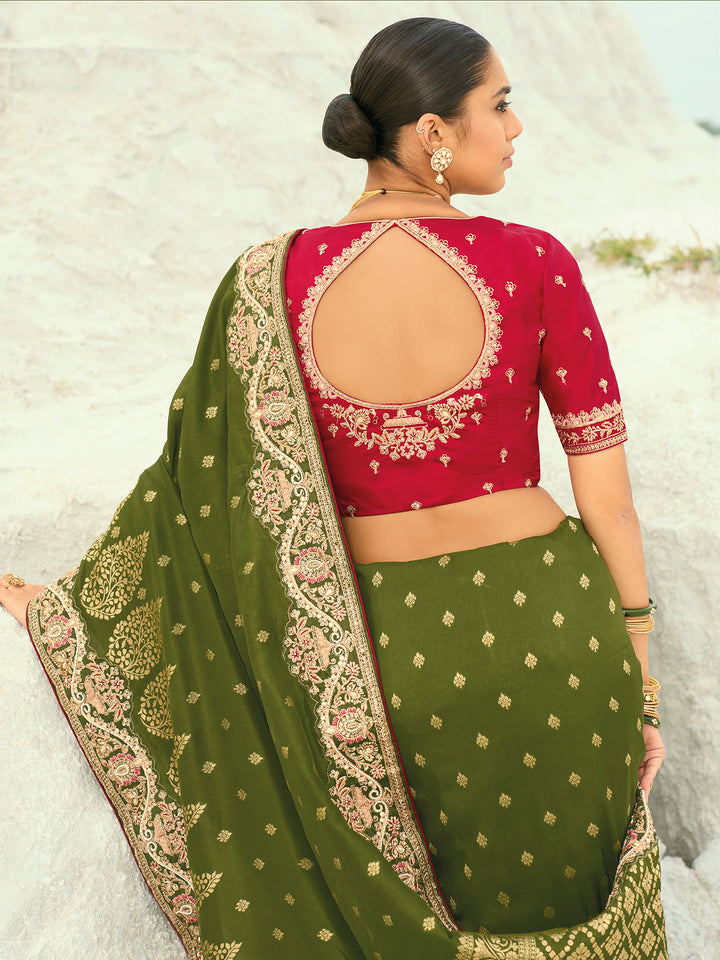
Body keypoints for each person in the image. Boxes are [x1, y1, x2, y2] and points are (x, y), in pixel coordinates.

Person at [1, 16, 667, 960]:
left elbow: (191, 495)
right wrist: (637, 665)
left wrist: (70, 615)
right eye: (502, 105)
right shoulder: (537, 263)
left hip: (375, 677)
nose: (517, 129)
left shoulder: (262, 282)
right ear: (435, 131)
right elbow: (611, 505)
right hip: (555, 643)